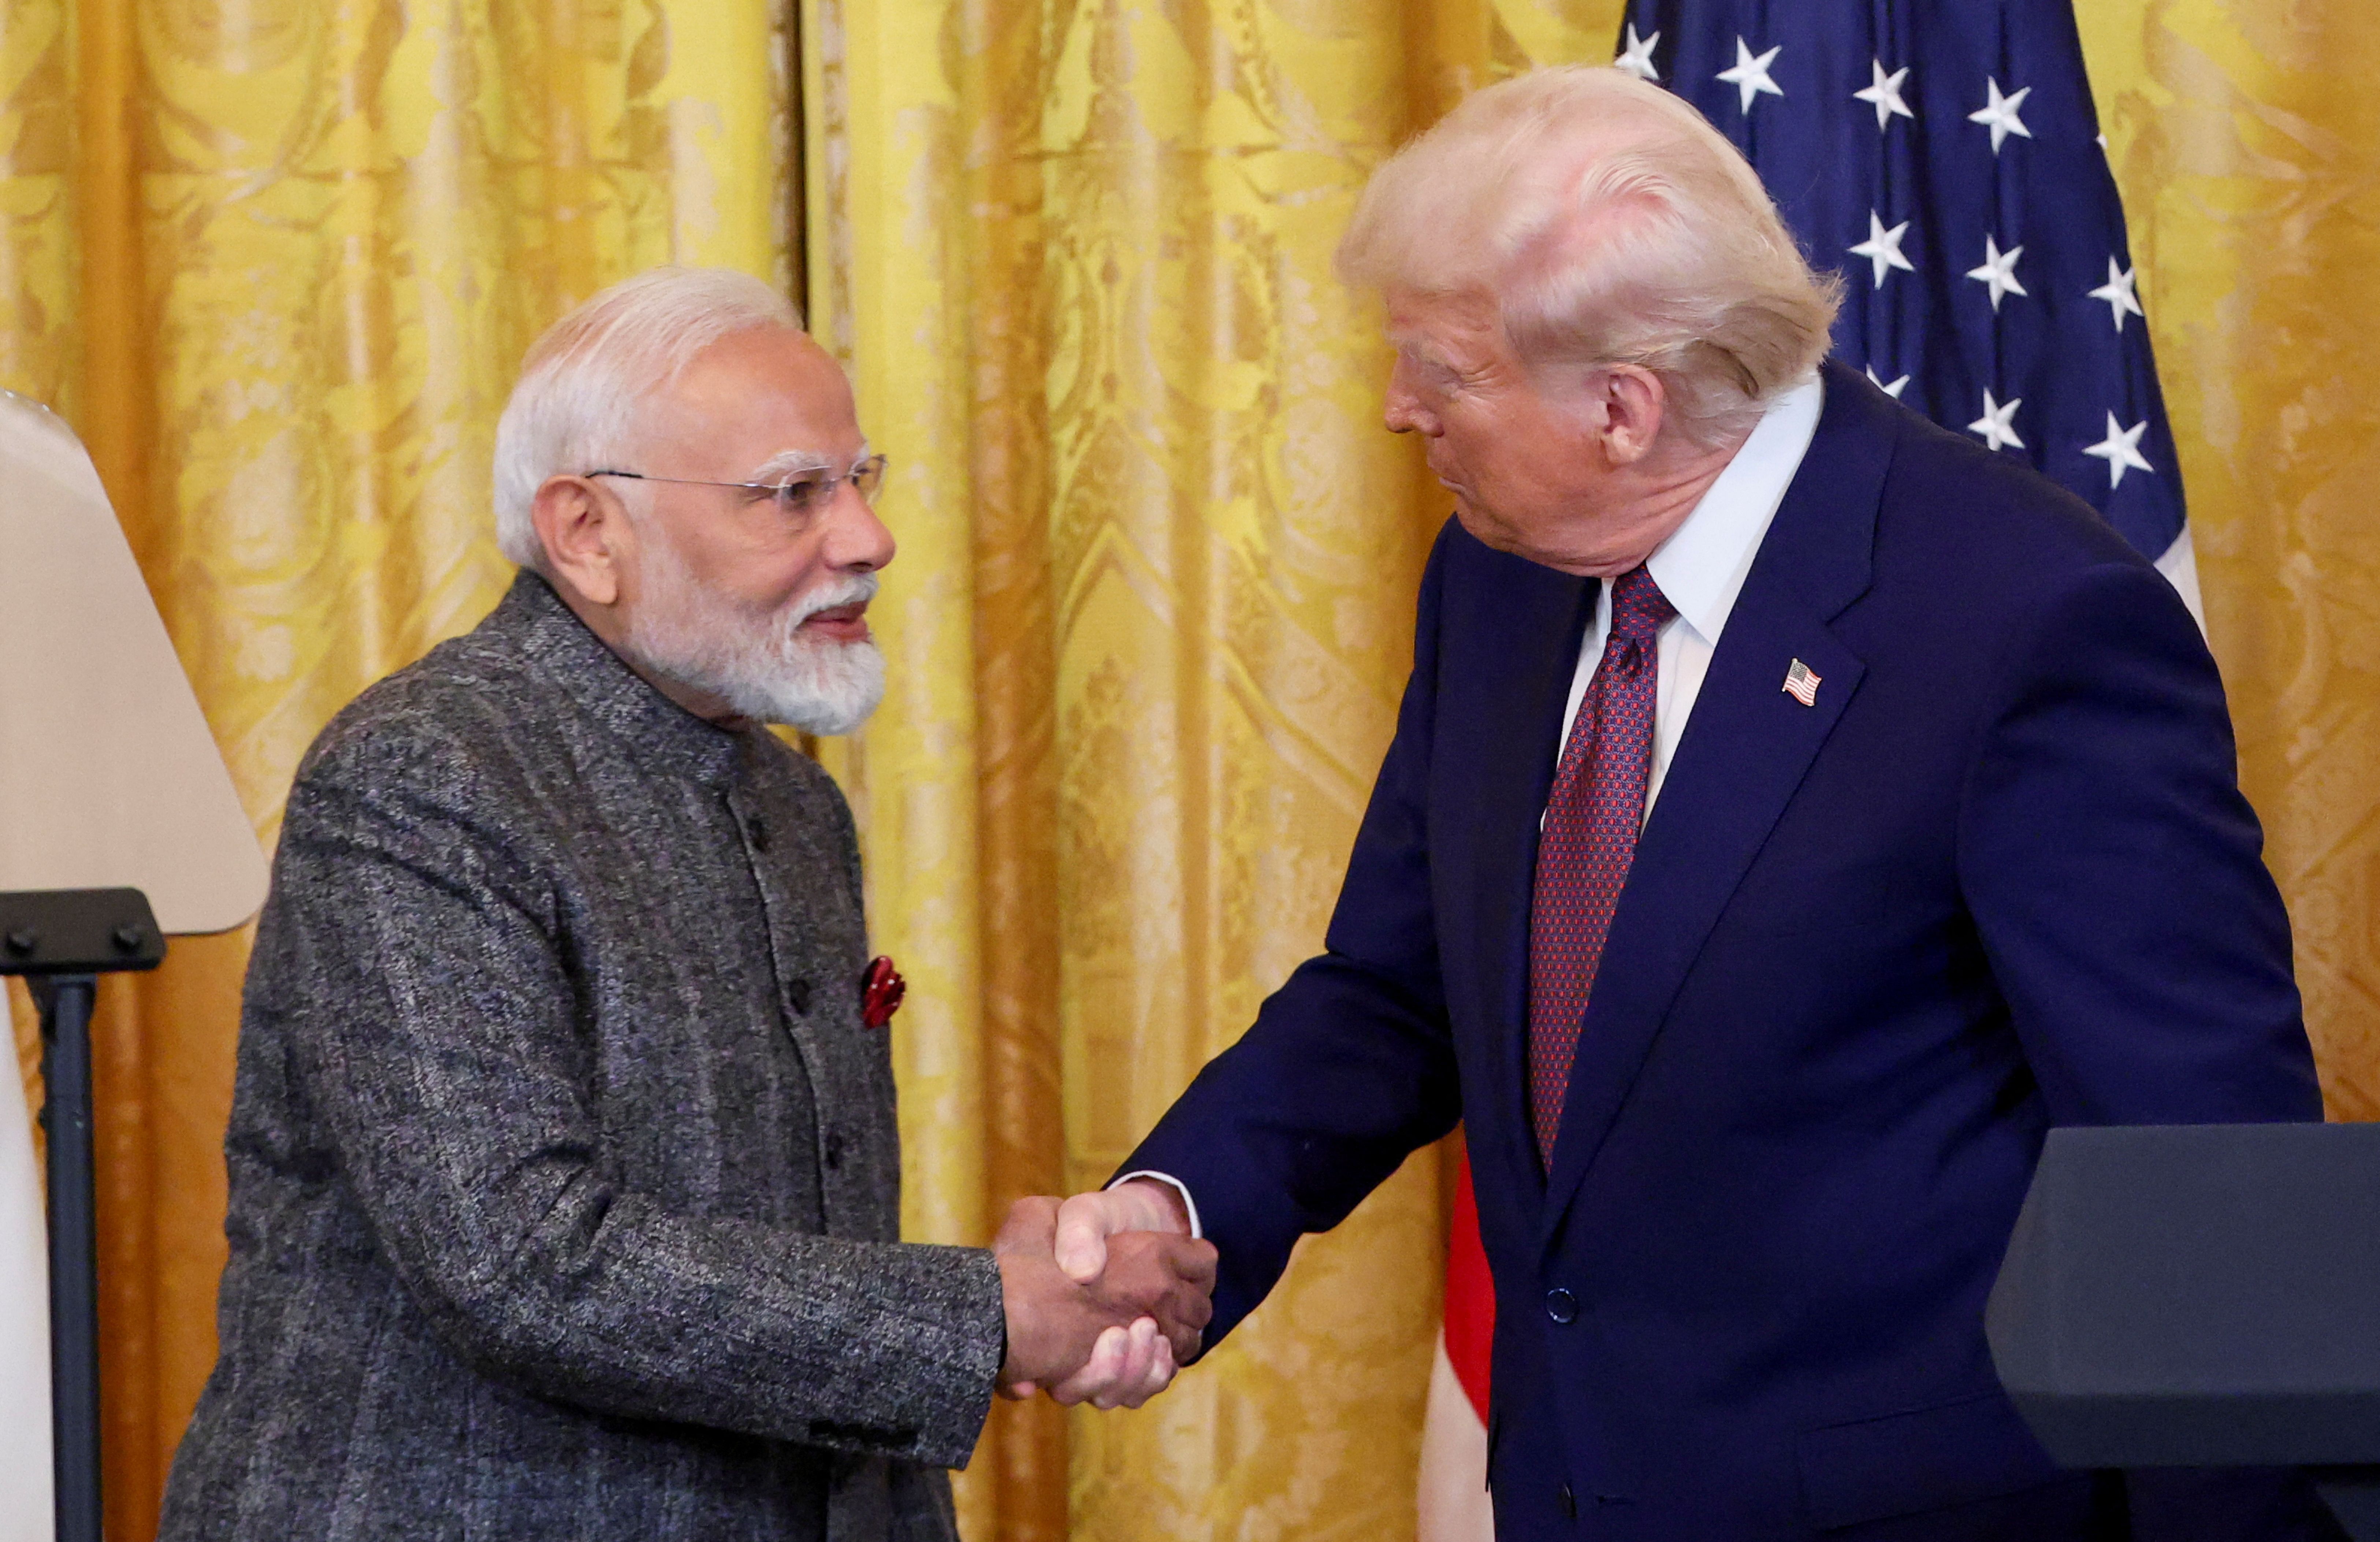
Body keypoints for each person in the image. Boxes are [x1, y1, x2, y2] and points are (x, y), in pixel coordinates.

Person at [1034, 68, 2340, 1539]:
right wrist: (1172, 1211)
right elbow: (1396, 994)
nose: (1398, 412)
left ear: (1619, 407)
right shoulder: (1498, 579)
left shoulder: (2019, 621)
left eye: (1438, 370)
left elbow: (2196, 1176)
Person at [159, 267, 1212, 1542]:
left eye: (860, 477)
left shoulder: (795, 801)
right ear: (587, 531)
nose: (867, 538)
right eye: (793, 493)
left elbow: (791, 1249)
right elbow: (523, 1261)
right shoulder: (423, 773)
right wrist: (989, 1314)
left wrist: (1042, 1297)